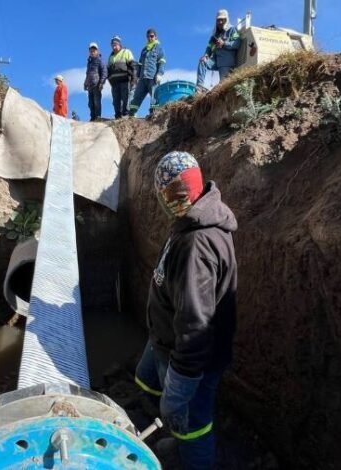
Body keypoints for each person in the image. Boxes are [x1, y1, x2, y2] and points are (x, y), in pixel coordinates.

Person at [135, 151, 238, 470]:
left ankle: (188, 450)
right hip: (166, 342)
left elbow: (195, 325)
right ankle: (170, 429)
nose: (165, 201)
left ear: (184, 191)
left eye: (170, 193)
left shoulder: (197, 244)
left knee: (193, 425)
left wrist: (179, 388)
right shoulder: (190, 218)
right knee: (146, 380)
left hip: (191, 362)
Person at [197, 9, 241, 93]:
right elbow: (209, 47)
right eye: (218, 20)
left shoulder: (232, 30)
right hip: (215, 60)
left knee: (223, 86)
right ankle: (199, 88)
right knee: (202, 62)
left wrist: (224, 43)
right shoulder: (215, 35)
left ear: (226, 19)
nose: (220, 22)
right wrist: (206, 55)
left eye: (222, 20)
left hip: (226, 62)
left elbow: (237, 43)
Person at [129, 28, 166, 117]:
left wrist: (160, 73)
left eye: (152, 36)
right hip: (142, 78)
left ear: (156, 37)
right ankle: (132, 114)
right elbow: (140, 64)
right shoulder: (144, 50)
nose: (150, 38)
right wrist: (137, 77)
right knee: (136, 96)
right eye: (148, 36)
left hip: (153, 77)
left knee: (154, 97)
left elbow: (162, 61)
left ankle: (154, 115)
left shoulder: (159, 48)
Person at [107, 35, 136, 119]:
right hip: (115, 83)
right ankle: (117, 116)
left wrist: (134, 79)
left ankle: (125, 114)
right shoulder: (111, 56)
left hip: (125, 80)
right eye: (112, 45)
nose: (114, 46)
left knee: (126, 98)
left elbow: (133, 66)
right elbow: (108, 71)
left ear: (119, 44)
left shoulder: (126, 52)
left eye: (115, 44)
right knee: (116, 100)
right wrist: (110, 80)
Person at [84, 42, 108, 121]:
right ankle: (92, 117)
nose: (92, 52)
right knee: (90, 103)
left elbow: (104, 72)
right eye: (91, 50)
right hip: (90, 85)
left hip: (97, 84)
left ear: (97, 51)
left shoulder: (100, 60)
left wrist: (101, 83)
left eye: (94, 50)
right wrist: (85, 83)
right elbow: (88, 74)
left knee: (97, 102)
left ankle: (98, 117)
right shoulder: (89, 62)